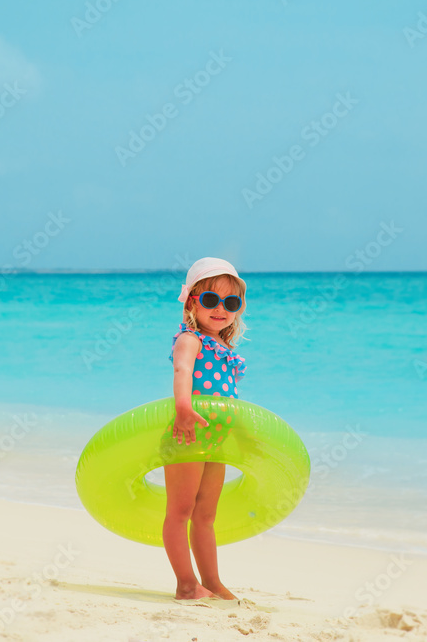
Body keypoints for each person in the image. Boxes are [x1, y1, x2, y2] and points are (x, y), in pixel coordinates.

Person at [164, 257, 249, 600]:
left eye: (230, 303)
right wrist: (183, 407)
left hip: (216, 439)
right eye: (211, 300)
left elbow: (228, 398)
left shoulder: (226, 349)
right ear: (191, 301)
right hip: (188, 433)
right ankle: (186, 584)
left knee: (206, 515)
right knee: (180, 511)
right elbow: (183, 372)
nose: (220, 309)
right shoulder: (190, 339)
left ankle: (211, 582)